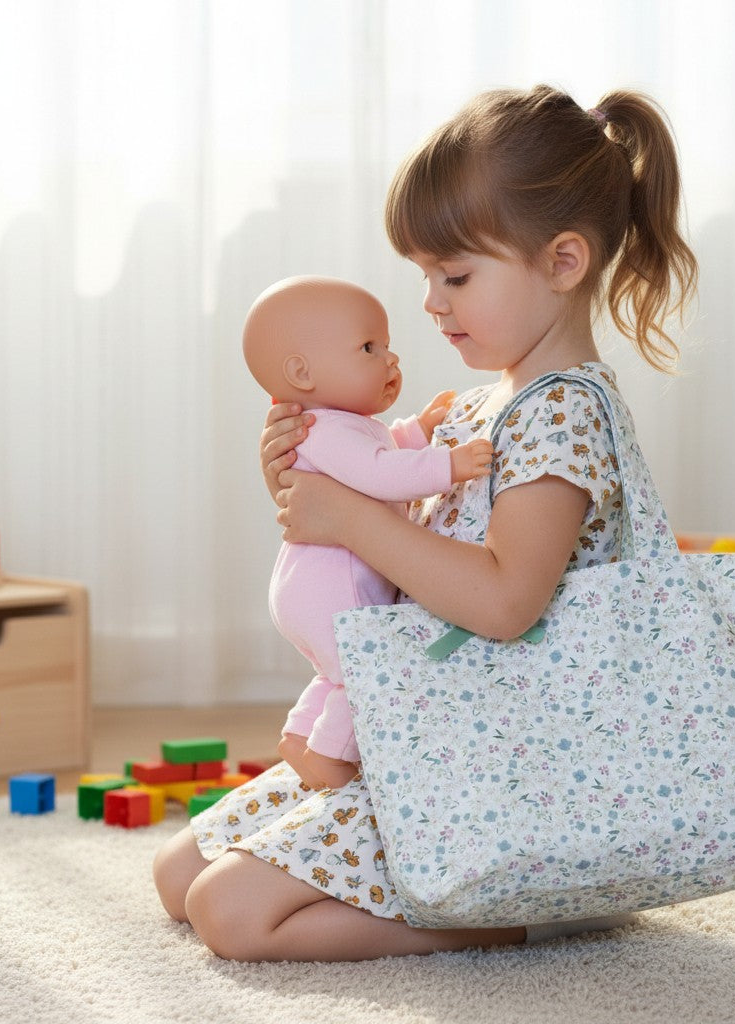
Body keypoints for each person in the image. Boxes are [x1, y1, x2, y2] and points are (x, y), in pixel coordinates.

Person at [154, 83, 697, 962]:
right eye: (424, 278)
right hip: (427, 734)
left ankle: (526, 906)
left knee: (231, 916)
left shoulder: (565, 414)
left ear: (563, 262)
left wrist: (353, 518)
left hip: (508, 775)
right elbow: (388, 548)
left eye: (456, 276)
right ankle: (488, 892)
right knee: (180, 876)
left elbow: (503, 601)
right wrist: (307, 488)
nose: (432, 304)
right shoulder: (478, 410)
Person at [241, 275, 493, 791]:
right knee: (367, 675)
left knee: (337, 673)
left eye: (387, 345)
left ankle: (299, 735)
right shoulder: (325, 429)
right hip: (334, 589)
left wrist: (416, 430)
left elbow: (380, 446)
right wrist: (450, 464)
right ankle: (331, 762)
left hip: (312, 587)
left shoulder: (337, 424)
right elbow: (379, 472)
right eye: (368, 347)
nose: (390, 360)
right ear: (301, 373)